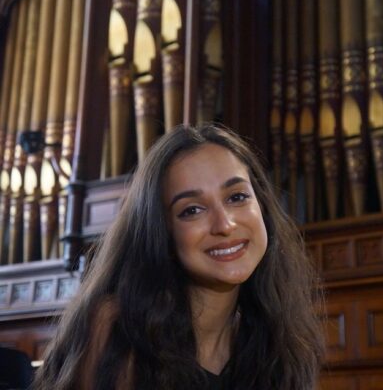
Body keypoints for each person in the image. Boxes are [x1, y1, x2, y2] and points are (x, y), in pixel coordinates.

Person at [34, 124, 324, 390]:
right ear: (163, 233)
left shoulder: (278, 342)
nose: (225, 225)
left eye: (237, 197)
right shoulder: (117, 327)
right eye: (192, 210)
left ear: (262, 206)